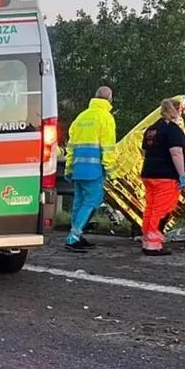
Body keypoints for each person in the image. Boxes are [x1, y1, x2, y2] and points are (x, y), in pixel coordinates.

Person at [63, 86, 118, 252]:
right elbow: (108, 147)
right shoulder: (106, 118)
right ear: (109, 100)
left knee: (79, 202)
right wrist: (111, 171)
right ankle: (74, 236)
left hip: (78, 167)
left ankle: (76, 235)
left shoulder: (81, 117)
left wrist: (68, 168)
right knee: (92, 201)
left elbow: (70, 146)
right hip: (94, 170)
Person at [139, 98, 185, 256]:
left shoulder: (151, 130)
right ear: (176, 111)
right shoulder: (172, 129)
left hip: (149, 173)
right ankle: (153, 244)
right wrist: (182, 174)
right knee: (162, 209)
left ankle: (147, 239)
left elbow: (145, 152)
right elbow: (176, 153)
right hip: (166, 175)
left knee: (151, 208)